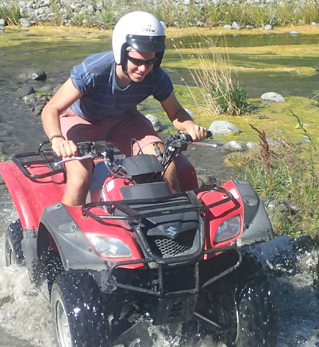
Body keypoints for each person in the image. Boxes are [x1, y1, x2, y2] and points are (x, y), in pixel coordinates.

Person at [41, 11, 207, 206]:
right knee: (80, 178)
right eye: (137, 61)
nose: (143, 69)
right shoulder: (93, 71)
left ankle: (177, 219)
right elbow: (51, 109)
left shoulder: (156, 76)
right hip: (81, 119)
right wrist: (57, 139)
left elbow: (176, 112)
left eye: (149, 61)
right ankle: (65, 229)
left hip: (124, 120)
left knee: (166, 166)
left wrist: (189, 126)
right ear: (121, 52)